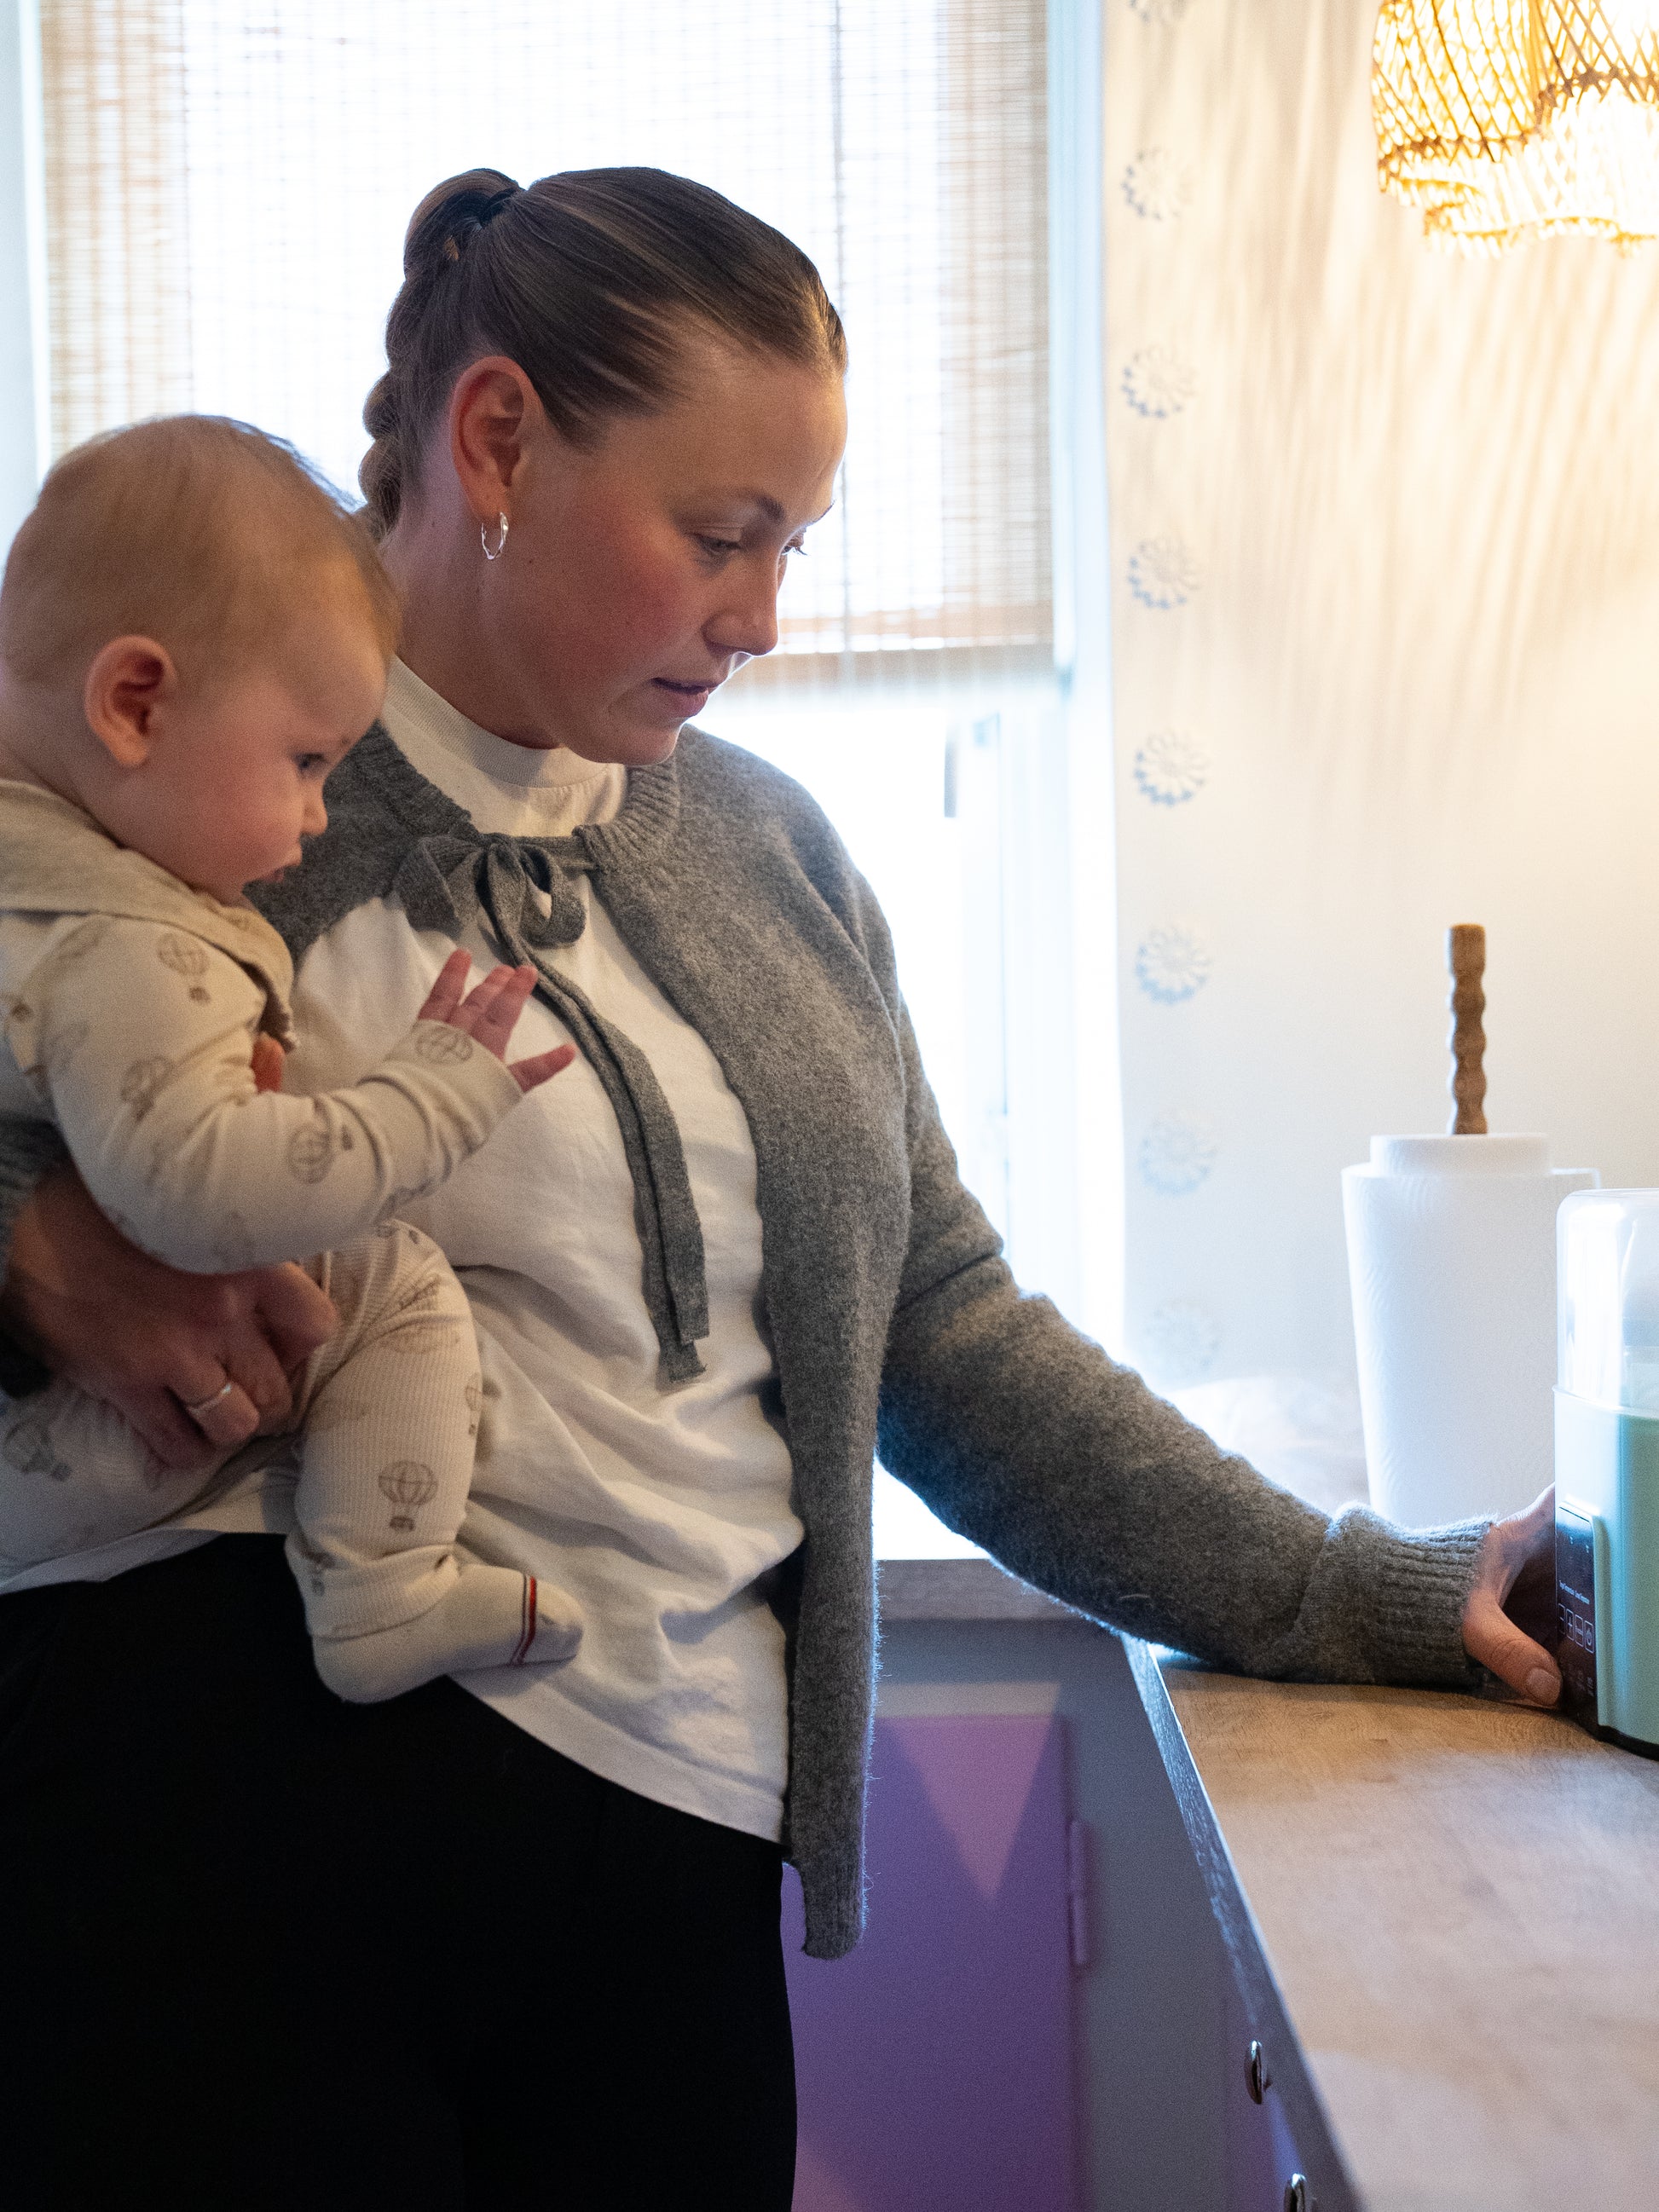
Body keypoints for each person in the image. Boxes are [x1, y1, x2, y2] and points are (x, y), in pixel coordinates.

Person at [0, 167, 1559, 2211]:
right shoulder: (200, 775)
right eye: (717, 533)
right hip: (221, 1837)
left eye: (792, 546)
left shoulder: (773, 854)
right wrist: (23, 1254)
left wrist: (1351, 1591)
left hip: (675, 1846)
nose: (760, 615)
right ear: (497, 441)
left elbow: (947, 1330)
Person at [0, 413, 584, 1697]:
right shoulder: (121, 939)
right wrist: (431, 1098)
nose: (318, 815)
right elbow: (204, 1195)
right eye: (306, 762)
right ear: (135, 702)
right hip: (73, 1459)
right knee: (393, 1283)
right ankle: (380, 1594)